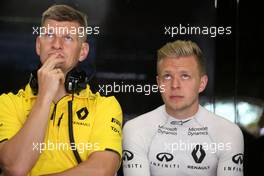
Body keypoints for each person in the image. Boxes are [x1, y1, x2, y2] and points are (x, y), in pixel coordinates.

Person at [0, 5, 122, 175]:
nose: (57, 44)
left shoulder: (105, 106)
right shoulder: (7, 103)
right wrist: (44, 97)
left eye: (68, 38)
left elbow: (102, 169)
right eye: (49, 35)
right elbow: (15, 167)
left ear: (83, 51)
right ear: (38, 45)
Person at [122, 40, 244, 176]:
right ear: (158, 83)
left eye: (185, 76)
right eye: (167, 76)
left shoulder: (228, 132)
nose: (175, 85)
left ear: (202, 83)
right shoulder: (135, 129)